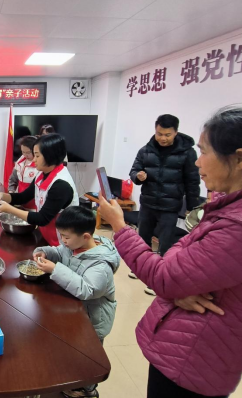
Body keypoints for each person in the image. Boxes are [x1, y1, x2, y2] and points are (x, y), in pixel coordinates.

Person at [98, 105, 242, 398]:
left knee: (163, 246)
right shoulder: (225, 207)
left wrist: (119, 226)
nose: (199, 162)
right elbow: (182, 254)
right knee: (161, 246)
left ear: (238, 159)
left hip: (197, 360)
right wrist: (176, 286)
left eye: (205, 152)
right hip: (186, 347)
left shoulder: (234, 225)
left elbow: (166, 275)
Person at [34, 206, 120, 398]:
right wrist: (44, 252)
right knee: (71, 350)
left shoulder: (101, 265)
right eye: (61, 235)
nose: (63, 240)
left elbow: (86, 290)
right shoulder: (73, 244)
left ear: (86, 236)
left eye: (66, 237)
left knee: (88, 356)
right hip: (74, 312)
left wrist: (55, 270)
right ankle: (72, 379)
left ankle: (87, 389)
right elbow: (59, 252)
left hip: (92, 319)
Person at [129, 114, 200, 296]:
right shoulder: (146, 150)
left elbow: (193, 181)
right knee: (143, 238)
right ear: (155, 130)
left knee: (166, 243)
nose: (163, 138)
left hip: (170, 206)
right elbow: (134, 171)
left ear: (176, 132)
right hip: (148, 202)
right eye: (160, 134)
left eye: (167, 135)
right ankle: (142, 269)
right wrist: (138, 176)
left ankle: (160, 279)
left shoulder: (187, 153)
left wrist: (192, 206)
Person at [0, 134, 79, 246]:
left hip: (62, 243)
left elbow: (42, 218)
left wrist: (9, 209)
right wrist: (3, 196)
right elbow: (24, 196)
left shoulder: (61, 185)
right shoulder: (41, 175)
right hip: (47, 236)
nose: (33, 159)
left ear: (49, 156)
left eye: (37, 156)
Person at [8, 136, 37, 210]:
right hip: (20, 203)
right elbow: (12, 180)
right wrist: (11, 192)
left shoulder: (39, 165)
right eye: (23, 152)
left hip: (35, 206)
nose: (25, 155)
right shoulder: (20, 162)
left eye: (28, 152)